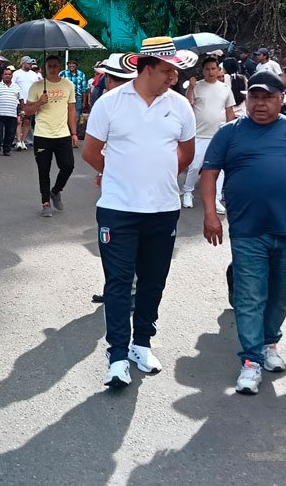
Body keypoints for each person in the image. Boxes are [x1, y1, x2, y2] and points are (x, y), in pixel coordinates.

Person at [200, 71, 286, 395]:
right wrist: (209, 215)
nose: (259, 104)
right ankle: (250, 361)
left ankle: (269, 343)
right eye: (254, 97)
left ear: (281, 99)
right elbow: (209, 172)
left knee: (281, 293)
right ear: (246, 99)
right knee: (250, 295)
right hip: (247, 230)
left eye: (267, 97)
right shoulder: (230, 133)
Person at [82, 42, 196, 388]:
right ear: (147, 67)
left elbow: (186, 154)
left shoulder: (179, 106)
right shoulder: (110, 103)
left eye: (176, 71)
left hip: (163, 210)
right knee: (118, 283)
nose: (174, 77)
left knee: (152, 281)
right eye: (168, 70)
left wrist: (154, 176)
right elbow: (90, 152)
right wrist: (120, 174)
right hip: (118, 210)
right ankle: (117, 355)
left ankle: (141, 344)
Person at [24, 55, 78, 217]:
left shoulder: (68, 85)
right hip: (42, 134)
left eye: (55, 66)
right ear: (45, 68)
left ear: (60, 67)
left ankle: (55, 191)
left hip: (62, 134)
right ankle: (45, 202)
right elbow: (27, 111)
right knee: (43, 170)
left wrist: (74, 132)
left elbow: (71, 110)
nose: (53, 69)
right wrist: (40, 102)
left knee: (68, 166)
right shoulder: (36, 86)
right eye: (50, 66)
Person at [182, 56, 235, 212]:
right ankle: (187, 191)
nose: (211, 72)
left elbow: (229, 110)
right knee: (195, 165)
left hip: (218, 135)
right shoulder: (196, 86)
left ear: (218, 70)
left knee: (220, 168)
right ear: (203, 71)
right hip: (199, 134)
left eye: (213, 68)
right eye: (207, 69)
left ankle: (216, 198)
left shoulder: (225, 88)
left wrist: (229, 131)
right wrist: (190, 88)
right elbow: (187, 104)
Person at [0, 67, 22, 157]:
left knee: (10, 133)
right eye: (6, 74)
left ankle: (6, 149)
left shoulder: (16, 86)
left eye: (9, 74)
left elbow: (21, 99)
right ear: (2, 76)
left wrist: (22, 111)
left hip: (12, 113)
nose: (7, 76)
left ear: (12, 76)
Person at [12, 57, 42, 150]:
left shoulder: (34, 74)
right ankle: (18, 141)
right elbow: (13, 86)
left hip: (30, 101)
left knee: (27, 121)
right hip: (19, 100)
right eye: (28, 63)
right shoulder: (16, 74)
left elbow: (37, 86)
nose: (30, 65)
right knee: (19, 121)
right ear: (23, 63)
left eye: (30, 63)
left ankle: (23, 141)